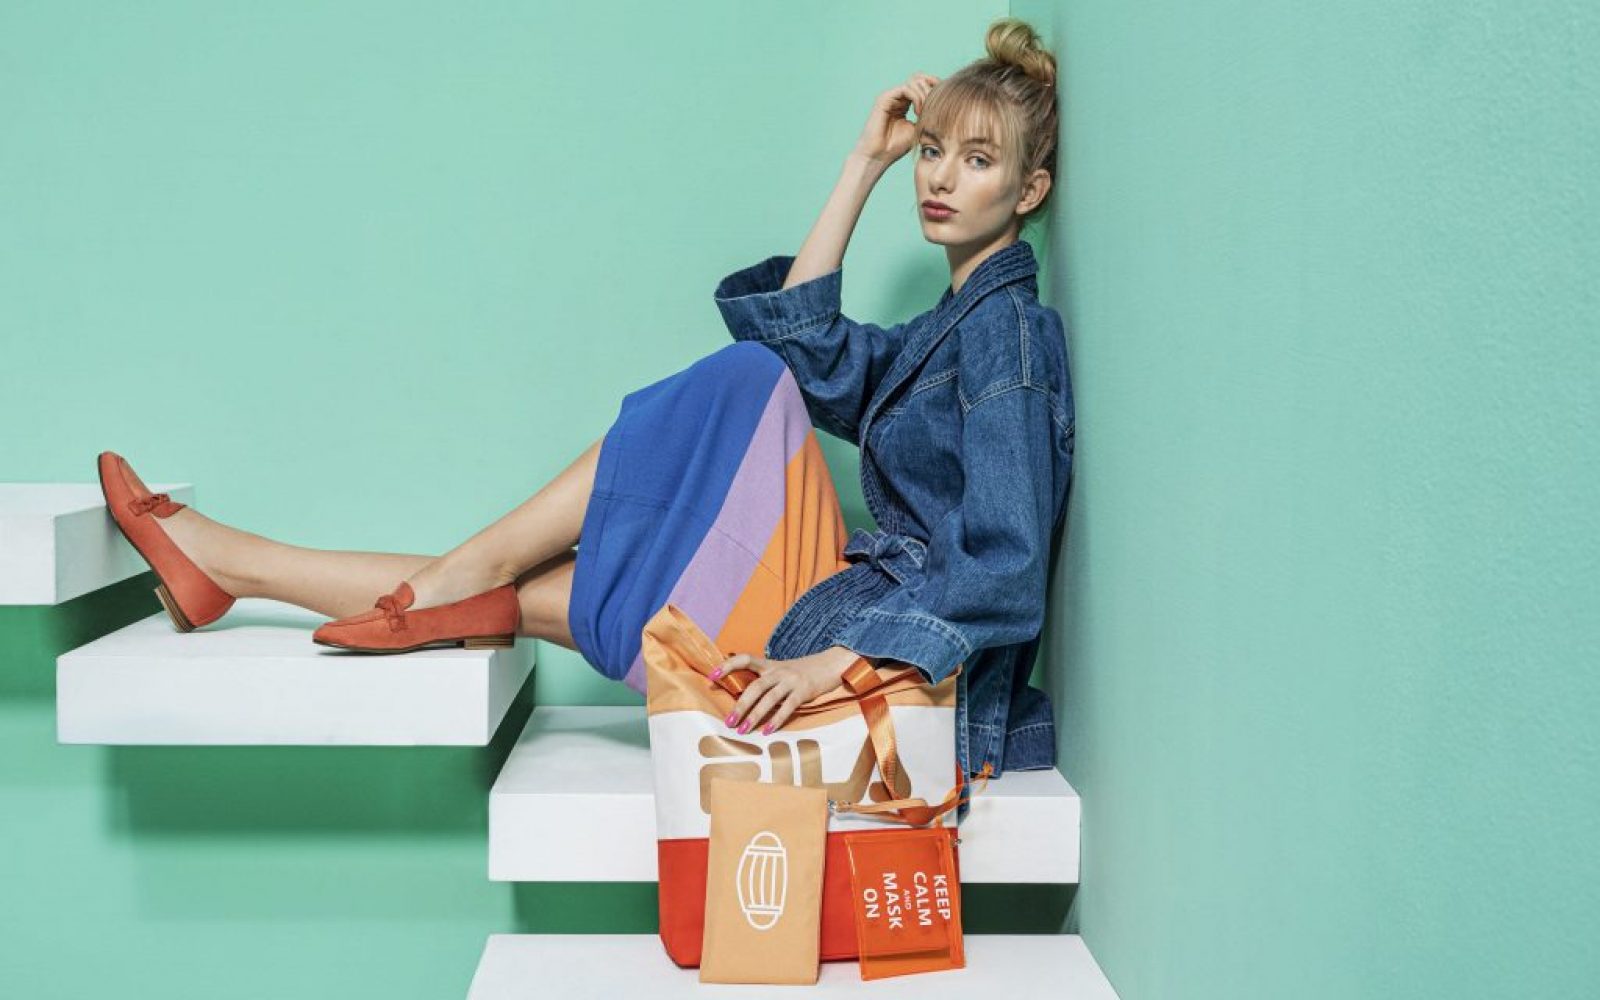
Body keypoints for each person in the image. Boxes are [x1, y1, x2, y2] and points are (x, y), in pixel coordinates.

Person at [96, 15, 1073, 779]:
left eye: (977, 160)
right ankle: (240, 565)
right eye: (932, 150)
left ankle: (343, 566)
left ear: (1028, 192)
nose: (940, 178)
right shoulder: (951, 329)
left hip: (870, 666)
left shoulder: (1008, 338)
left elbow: (1005, 566)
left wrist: (830, 663)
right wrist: (864, 163)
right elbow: (809, 342)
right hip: (842, 613)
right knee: (521, 589)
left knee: (744, 380)